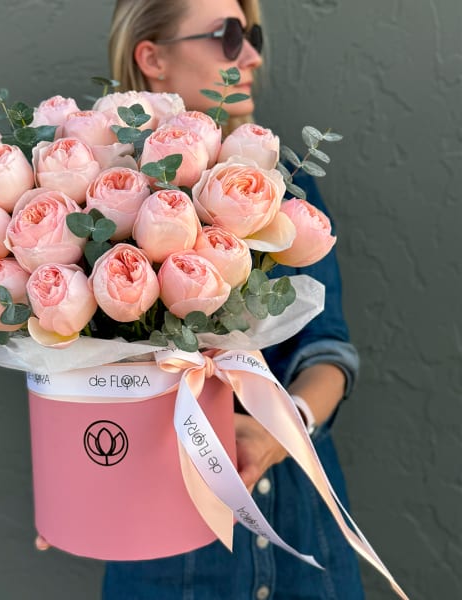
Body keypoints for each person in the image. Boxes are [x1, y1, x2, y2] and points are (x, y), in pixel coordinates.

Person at [100, 1, 366, 598]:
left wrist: (282, 429)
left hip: (304, 538)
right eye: (227, 36)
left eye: (253, 37)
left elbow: (329, 351)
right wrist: (76, 491)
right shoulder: (96, 198)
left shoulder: (285, 187)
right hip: (167, 554)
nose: (251, 57)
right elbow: (74, 381)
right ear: (153, 58)